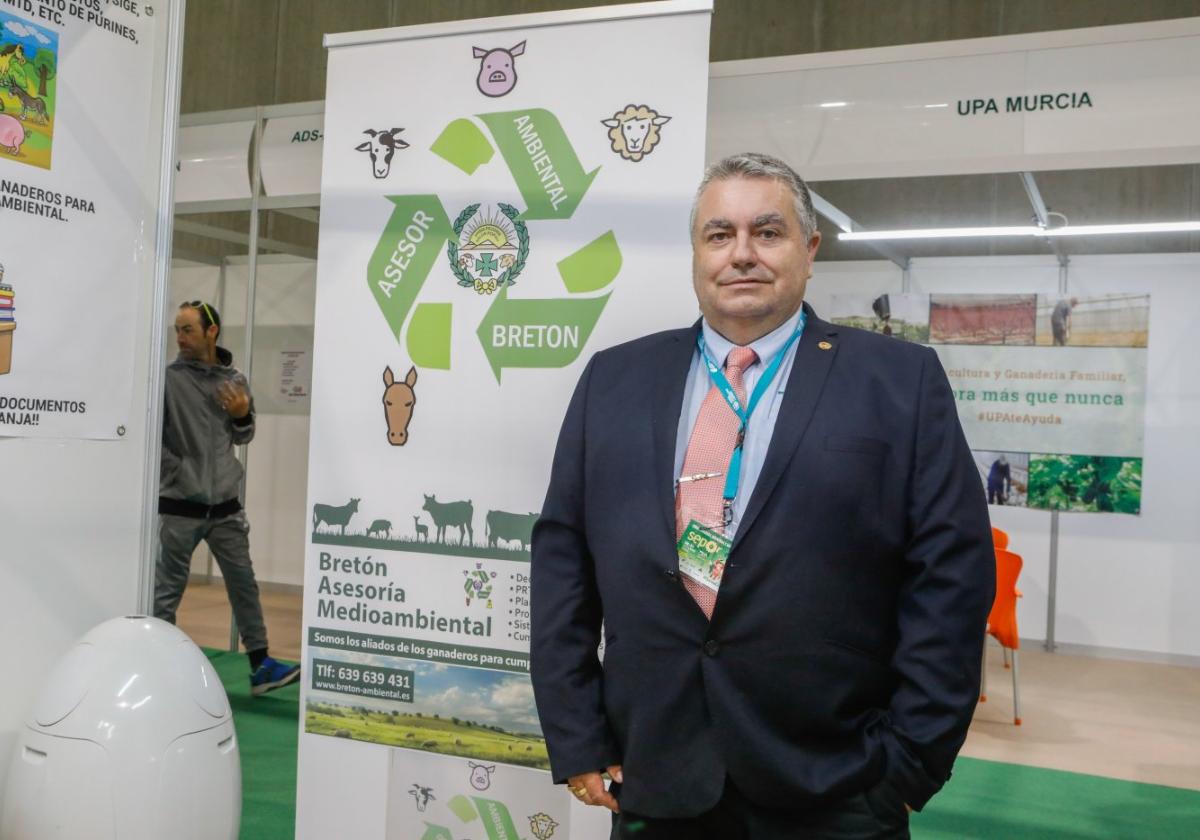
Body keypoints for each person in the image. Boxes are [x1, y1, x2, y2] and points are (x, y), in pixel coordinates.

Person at [531, 153, 994, 839]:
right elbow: (563, 562)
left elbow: (951, 578)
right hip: (654, 774)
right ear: (696, 253)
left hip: (835, 784)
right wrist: (577, 735)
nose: (741, 254)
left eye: (767, 232)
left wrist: (907, 766)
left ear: (809, 249)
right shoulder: (615, 380)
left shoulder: (900, 383)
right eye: (719, 234)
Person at [155, 301, 300, 696]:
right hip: (179, 505)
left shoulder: (234, 380)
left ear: (211, 332)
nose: (180, 338)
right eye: (177, 330)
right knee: (165, 593)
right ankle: (154, 670)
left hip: (225, 509)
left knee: (244, 585)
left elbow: (244, 436)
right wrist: (173, 467)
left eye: (187, 329)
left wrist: (241, 414)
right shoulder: (167, 378)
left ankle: (261, 667)